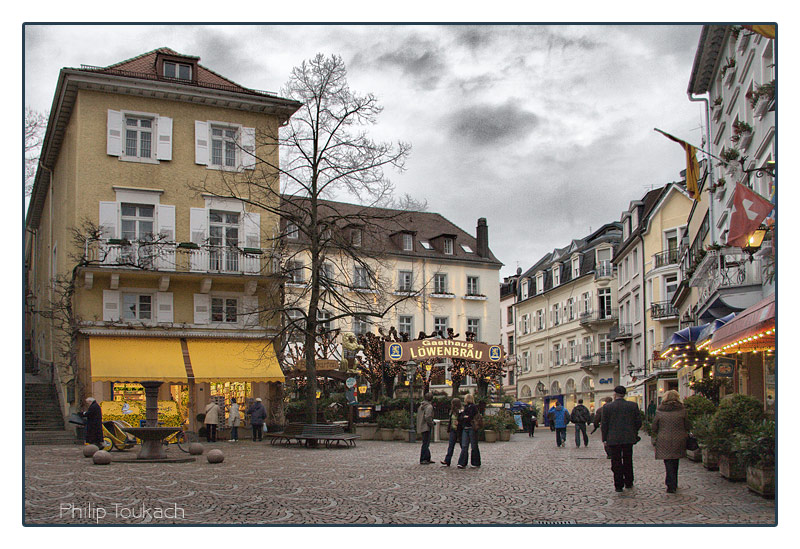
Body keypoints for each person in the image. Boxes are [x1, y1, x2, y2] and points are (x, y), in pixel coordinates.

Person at [601, 386, 643, 492]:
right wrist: (634, 432)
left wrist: (605, 439)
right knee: (628, 459)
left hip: (613, 438)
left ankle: (618, 484)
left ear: (615, 394)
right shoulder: (632, 406)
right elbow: (638, 422)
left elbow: (604, 424)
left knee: (616, 461)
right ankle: (629, 481)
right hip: (628, 438)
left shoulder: (607, 407)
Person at [651, 390, 691, 493]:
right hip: (679, 438)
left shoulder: (660, 411)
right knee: (675, 460)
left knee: (668, 460)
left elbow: (654, 426)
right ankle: (674, 482)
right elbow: (687, 425)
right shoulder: (682, 410)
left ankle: (670, 483)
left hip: (664, 438)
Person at [456, 393, 481, 469]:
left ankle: (475, 462)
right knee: (464, 446)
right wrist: (464, 417)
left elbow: (469, 417)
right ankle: (462, 462)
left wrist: (465, 417)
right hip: (465, 428)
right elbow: (461, 417)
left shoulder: (473, 407)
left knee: (473, 445)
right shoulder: (465, 407)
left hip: (471, 428)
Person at [440, 398, 462, 467]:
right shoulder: (452, 412)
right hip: (453, 430)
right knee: (451, 446)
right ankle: (447, 460)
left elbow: (462, 419)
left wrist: (459, 423)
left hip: (459, 430)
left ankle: (463, 460)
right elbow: (450, 421)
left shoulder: (460, 411)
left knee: (463, 446)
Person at [417, 392, 434, 464]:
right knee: (426, 443)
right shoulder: (429, 407)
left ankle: (427, 457)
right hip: (426, 426)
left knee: (426, 442)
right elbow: (428, 417)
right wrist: (431, 423)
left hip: (421, 425)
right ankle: (423, 458)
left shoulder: (421, 406)